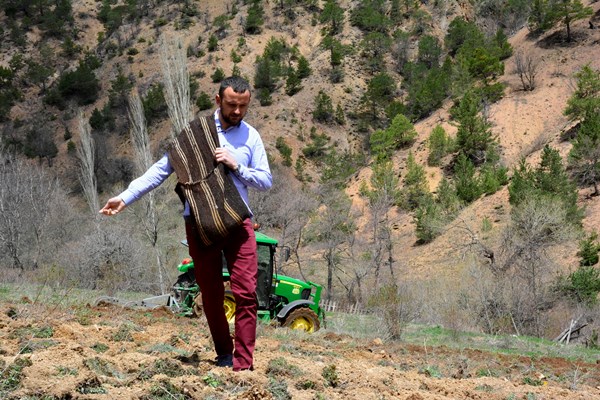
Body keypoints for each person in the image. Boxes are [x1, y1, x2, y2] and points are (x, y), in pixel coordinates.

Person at [99, 76, 272, 371]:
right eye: (232, 105)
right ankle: (224, 354)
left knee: (246, 295)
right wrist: (125, 197)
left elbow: (266, 181)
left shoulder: (251, 137)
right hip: (200, 224)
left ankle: (244, 365)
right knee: (211, 295)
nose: (238, 111)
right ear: (218, 101)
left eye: (243, 106)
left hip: (238, 224)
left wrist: (236, 165)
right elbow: (161, 170)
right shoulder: (194, 133)